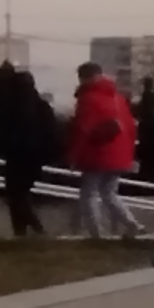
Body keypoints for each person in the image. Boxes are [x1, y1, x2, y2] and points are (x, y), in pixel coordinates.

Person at [0, 67, 61, 238]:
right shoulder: (42, 107)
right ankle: (27, 232)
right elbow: (52, 133)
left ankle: (30, 230)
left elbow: (0, 130)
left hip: (15, 155)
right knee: (21, 194)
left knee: (15, 194)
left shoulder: (9, 106)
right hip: (35, 157)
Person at [65, 63, 140, 239]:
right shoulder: (118, 98)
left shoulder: (87, 99)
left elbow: (82, 130)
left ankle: (96, 232)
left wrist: (74, 156)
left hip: (96, 153)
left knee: (89, 194)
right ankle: (132, 224)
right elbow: (130, 128)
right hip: (119, 155)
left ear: (84, 78)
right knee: (109, 193)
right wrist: (129, 156)